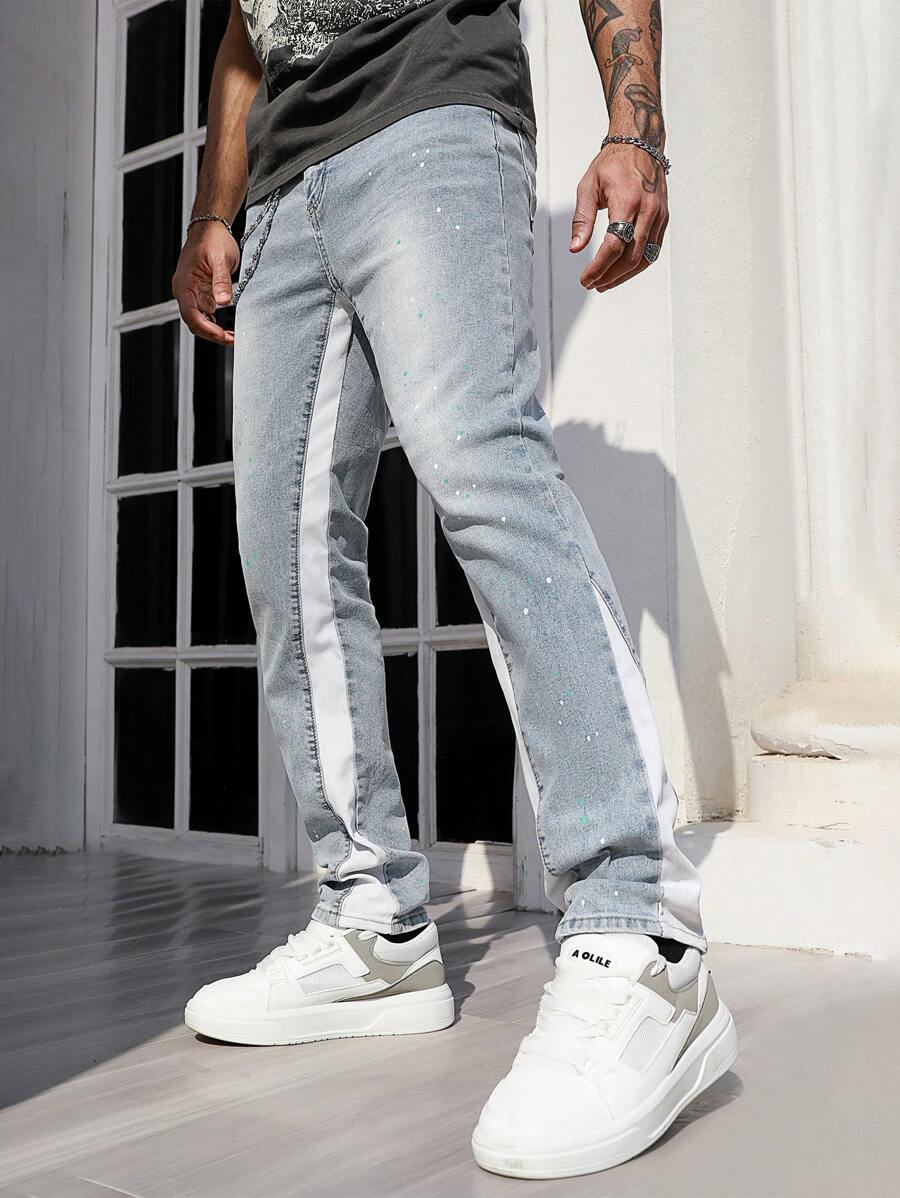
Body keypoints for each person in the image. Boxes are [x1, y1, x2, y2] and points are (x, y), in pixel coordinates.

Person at [173, 0, 737, 1178]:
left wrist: (635, 125)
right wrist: (214, 211)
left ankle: (644, 933)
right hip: (279, 193)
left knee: (483, 468)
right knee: (281, 550)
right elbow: (242, 34)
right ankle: (372, 920)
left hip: (430, 112)